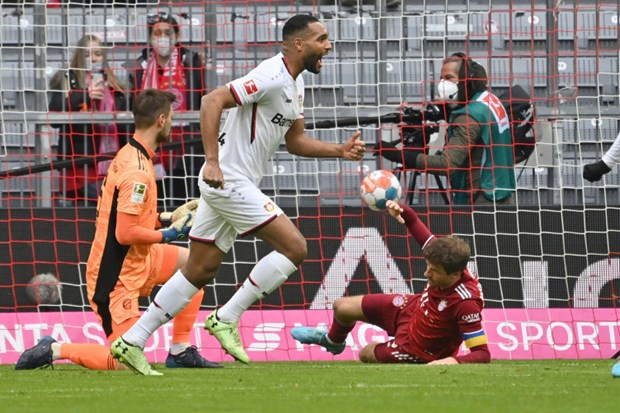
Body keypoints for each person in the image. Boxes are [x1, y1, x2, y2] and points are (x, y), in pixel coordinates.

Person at [109, 14, 366, 375]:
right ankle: (226, 317)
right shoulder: (270, 75)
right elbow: (212, 100)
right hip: (227, 180)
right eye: (322, 39)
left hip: (232, 182)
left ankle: (132, 341)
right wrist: (213, 161)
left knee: (199, 269)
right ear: (297, 44)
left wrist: (339, 151)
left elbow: (295, 142)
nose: (328, 45)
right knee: (295, 247)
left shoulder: (295, 84)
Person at [16, 90, 220, 373]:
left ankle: (180, 350)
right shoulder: (136, 169)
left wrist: (166, 217)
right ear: (161, 120)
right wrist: (170, 233)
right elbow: (125, 233)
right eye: (172, 118)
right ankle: (54, 348)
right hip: (116, 277)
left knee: (196, 265)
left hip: (139, 258)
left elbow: (125, 216)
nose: (173, 123)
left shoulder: (132, 153)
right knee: (122, 362)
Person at [292, 199, 491, 364]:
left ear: (455, 275)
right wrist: (399, 208)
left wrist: (452, 361)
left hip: (419, 348)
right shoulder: (445, 256)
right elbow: (412, 220)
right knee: (342, 307)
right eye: (428, 266)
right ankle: (333, 342)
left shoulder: (466, 303)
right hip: (411, 308)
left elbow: (482, 354)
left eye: (434, 271)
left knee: (365, 354)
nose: (426, 273)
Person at [376, 53, 515, 205]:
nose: (443, 84)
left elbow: (447, 164)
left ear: (466, 80)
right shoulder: (489, 99)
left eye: (449, 78)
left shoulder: (467, 117)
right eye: (442, 78)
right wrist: (450, 111)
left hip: (480, 201)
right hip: (500, 192)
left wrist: (396, 155)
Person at [126, 12, 206, 203]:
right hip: (153, 139)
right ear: (150, 38)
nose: (161, 38)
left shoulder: (192, 63)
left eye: (167, 33)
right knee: (156, 197)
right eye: (157, 33)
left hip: (187, 141)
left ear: (177, 37)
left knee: (185, 196)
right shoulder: (140, 66)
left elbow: (202, 97)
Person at [49, 34, 129, 205]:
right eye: (87, 54)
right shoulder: (66, 79)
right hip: (81, 164)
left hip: (114, 162)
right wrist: (85, 96)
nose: (93, 59)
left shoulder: (115, 84)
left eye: (98, 54)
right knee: (105, 205)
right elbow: (54, 117)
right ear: (79, 57)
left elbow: (127, 123)